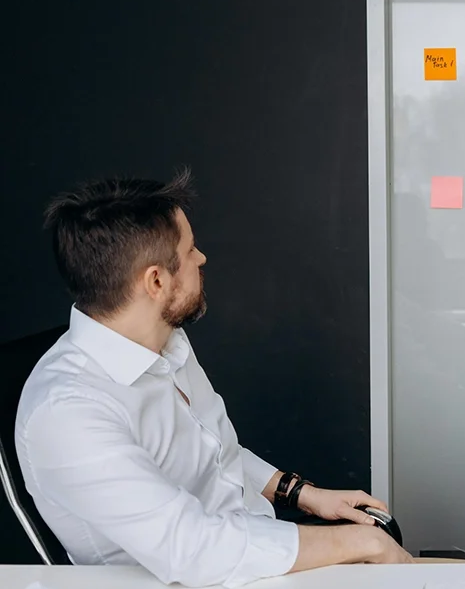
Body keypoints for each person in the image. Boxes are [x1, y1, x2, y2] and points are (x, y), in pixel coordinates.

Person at [15, 171, 412, 588]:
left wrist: (304, 495)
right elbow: (193, 550)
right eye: (189, 251)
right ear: (155, 281)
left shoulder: (164, 341)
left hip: (253, 556)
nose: (202, 258)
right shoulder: (68, 413)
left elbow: (214, 451)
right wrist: (359, 544)